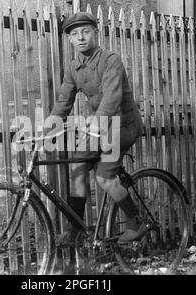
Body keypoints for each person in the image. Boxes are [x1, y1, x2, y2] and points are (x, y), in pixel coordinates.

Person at [47, 12, 147, 246]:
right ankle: (76, 231)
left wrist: (96, 121)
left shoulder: (111, 60)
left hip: (121, 125)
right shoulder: (74, 67)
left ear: (95, 33)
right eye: (74, 34)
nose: (80, 37)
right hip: (100, 127)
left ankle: (136, 222)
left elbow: (112, 98)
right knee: (78, 170)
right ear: (70, 40)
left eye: (85, 32)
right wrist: (49, 125)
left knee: (104, 179)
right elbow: (64, 101)